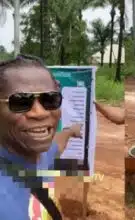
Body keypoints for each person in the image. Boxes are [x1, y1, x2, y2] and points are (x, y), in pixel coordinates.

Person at [0, 55, 82, 220]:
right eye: (21, 102)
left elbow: (56, 145)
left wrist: (70, 131)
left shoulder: (38, 155)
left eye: (50, 99)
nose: (41, 112)